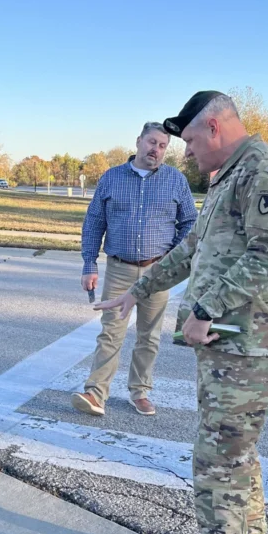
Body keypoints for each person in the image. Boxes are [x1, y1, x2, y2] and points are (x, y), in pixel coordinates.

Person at [96, 92, 268, 534]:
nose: (183, 152)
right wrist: (137, 291)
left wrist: (204, 309)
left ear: (213, 127)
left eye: (187, 140)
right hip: (231, 343)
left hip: (248, 343)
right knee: (236, 453)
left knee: (218, 458)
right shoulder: (230, 176)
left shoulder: (263, 170)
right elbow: (193, 250)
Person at [72, 122, 197, 417]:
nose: (156, 150)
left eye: (163, 146)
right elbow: (93, 223)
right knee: (110, 333)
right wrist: (89, 264)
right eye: (152, 142)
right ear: (139, 141)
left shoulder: (175, 180)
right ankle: (96, 392)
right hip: (119, 269)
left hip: (158, 271)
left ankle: (140, 392)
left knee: (149, 336)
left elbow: (190, 221)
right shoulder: (112, 178)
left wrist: (172, 255)